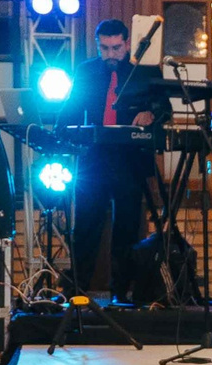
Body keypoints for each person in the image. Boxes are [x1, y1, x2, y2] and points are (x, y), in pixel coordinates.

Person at [66, 19, 158, 295]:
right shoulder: (86, 72)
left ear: (127, 44)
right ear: (97, 46)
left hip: (129, 160)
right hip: (93, 159)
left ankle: (122, 290)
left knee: (127, 228)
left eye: (116, 48)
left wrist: (150, 114)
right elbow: (70, 108)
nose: (110, 54)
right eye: (104, 48)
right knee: (85, 225)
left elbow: (162, 106)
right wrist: (61, 135)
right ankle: (78, 288)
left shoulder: (142, 73)